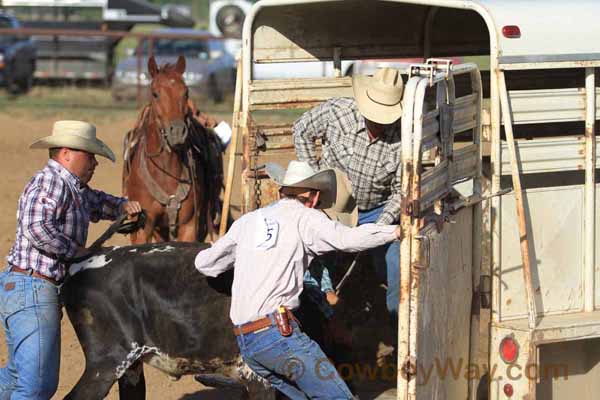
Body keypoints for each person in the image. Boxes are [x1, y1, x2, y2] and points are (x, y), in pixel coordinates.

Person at [194, 160, 401, 399]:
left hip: (247, 343)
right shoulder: (306, 219)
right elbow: (348, 240)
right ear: (313, 199)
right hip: (278, 336)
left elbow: (204, 264)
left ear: (281, 192)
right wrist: (395, 231)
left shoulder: (247, 221)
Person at [0, 120, 142, 400]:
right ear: (66, 154)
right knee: (34, 387)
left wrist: (121, 206)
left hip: (29, 289)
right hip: (34, 289)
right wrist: (75, 252)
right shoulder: (51, 181)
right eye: (90, 156)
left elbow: (97, 201)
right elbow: (37, 228)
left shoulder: (71, 187)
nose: (95, 164)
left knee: (20, 378)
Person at [293, 67, 404, 321]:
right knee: (306, 253)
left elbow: (402, 190)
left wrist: (379, 226)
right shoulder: (338, 112)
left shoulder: (404, 135)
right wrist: (316, 182)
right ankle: (316, 317)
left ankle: (396, 328)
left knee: (396, 263)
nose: (378, 122)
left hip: (377, 210)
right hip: (331, 202)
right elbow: (302, 129)